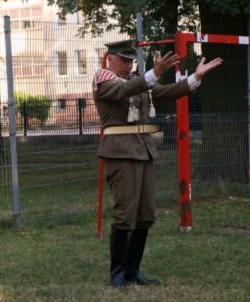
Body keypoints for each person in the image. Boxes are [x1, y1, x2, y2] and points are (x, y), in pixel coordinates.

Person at [93, 39, 222, 288]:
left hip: (143, 149)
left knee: (145, 215)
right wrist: (155, 72)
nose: (128, 64)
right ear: (110, 58)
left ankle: (132, 271)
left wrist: (194, 78)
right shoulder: (104, 78)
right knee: (124, 214)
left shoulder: (137, 80)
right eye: (123, 60)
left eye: (131, 60)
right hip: (121, 151)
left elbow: (163, 93)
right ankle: (117, 273)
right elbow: (122, 92)